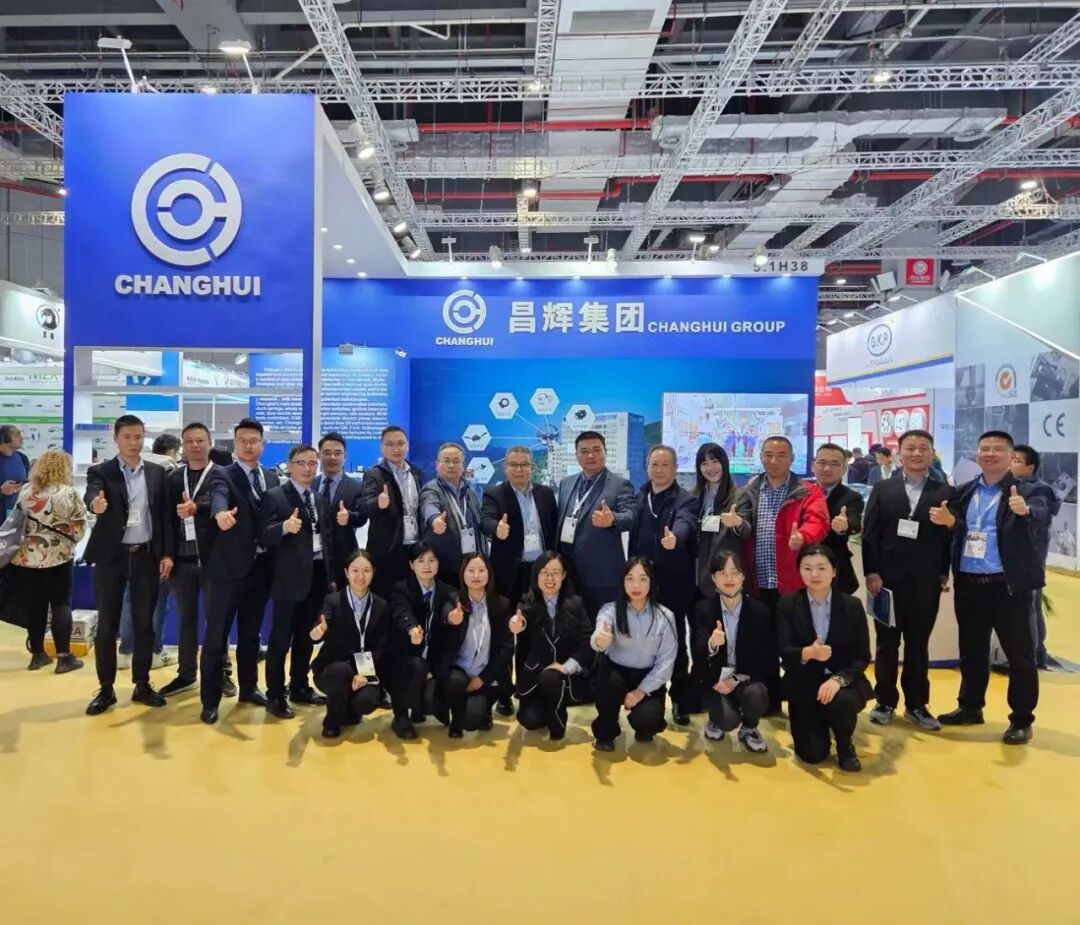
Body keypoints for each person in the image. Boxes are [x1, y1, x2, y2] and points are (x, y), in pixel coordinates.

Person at [934, 431, 1050, 744]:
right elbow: (958, 530)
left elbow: (1043, 511)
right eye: (984, 448)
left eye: (998, 449)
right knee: (971, 651)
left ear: (1011, 456)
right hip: (970, 584)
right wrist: (950, 523)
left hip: (1008, 587)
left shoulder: (1029, 489)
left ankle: (1021, 720)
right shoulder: (966, 491)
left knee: (1020, 657)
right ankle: (970, 707)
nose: (990, 454)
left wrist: (1026, 510)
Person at [862, 429, 952, 730]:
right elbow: (870, 533)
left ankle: (917, 705)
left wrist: (943, 572)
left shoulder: (944, 491)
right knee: (887, 644)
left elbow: (947, 538)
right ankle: (884, 701)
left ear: (932, 453)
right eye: (910, 448)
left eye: (923, 448)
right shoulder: (883, 488)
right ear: (899, 453)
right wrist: (871, 571)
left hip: (926, 581)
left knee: (918, 644)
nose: (916, 453)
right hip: (886, 581)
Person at [83, 415, 175, 715]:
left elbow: (164, 516)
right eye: (128, 437)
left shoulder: (157, 473)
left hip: (146, 555)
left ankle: (142, 684)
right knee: (107, 625)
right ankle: (106, 689)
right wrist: (94, 504)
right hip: (113, 557)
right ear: (116, 438)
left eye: (138, 437)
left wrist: (166, 554)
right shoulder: (102, 471)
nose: (134, 443)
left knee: (144, 623)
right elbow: (92, 494)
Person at [199, 418, 280, 725]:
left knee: (251, 635)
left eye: (253, 441)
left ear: (262, 445)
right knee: (216, 637)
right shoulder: (223, 474)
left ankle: (248, 688)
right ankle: (210, 701)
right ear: (234, 445)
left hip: (260, 570)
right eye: (242, 441)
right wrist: (220, 513)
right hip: (227, 572)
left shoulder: (271, 477)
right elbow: (219, 497)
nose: (248, 445)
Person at [742, 435, 828, 710]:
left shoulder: (807, 491)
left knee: (797, 645)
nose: (774, 461)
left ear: (792, 458)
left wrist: (803, 536)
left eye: (781, 455)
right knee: (763, 645)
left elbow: (818, 521)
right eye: (768, 455)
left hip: (791, 583)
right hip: (758, 581)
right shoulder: (751, 488)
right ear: (760, 457)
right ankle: (770, 701)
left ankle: (803, 703)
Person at [776, 545, 872, 772]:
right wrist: (808, 653)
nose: (815, 574)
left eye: (821, 567)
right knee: (813, 755)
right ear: (800, 571)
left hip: (841, 682)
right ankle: (820, 722)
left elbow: (861, 657)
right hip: (804, 683)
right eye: (807, 568)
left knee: (842, 702)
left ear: (834, 571)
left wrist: (838, 680)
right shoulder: (787, 604)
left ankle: (845, 744)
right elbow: (783, 650)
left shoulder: (852, 606)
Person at [479, 445, 558, 715]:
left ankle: (527, 688)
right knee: (504, 635)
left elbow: (552, 531)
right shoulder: (494, 493)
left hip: (538, 574)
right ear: (506, 467)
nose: (519, 469)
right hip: (508, 575)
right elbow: (486, 520)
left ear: (532, 467)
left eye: (524, 464)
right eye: (514, 465)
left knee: (532, 633)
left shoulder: (545, 494)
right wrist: (496, 529)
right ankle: (503, 693)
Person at [259, 443, 334, 719]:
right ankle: (275, 695)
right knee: (281, 640)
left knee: (306, 637)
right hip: (288, 580)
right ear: (290, 466)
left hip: (317, 577)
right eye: (301, 463)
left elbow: (326, 539)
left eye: (312, 463)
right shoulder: (275, 496)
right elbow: (263, 535)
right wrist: (283, 527)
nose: (307, 468)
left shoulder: (319, 498)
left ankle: (299, 686)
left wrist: (331, 577)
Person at [157, 423, 230, 697]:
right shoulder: (174, 478)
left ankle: (221, 673)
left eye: (200, 440)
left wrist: (198, 508)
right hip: (182, 561)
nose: (195, 446)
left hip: (214, 561)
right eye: (189, 441)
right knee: (186, 620)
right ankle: (186, 674)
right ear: (183, 446)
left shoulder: (223, 475)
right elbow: (166, 519)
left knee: (216, 621)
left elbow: (226, 505)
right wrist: (166, 554)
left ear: (209, 443)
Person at [628, 444, 698, 724]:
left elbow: (685, 523)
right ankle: (647, 696)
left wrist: (675, 538)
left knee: (676, 642)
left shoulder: (685, 499)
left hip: (674, 583)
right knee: (643, 639)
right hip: (641, 584)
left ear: (675, 468)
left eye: (665, 464)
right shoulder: (639, 495)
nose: (658, 470)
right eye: (654, 464)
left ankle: (679, 699)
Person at [8, 448, 87, 673]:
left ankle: (37, 655)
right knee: (61, 604)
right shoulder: (68, 493)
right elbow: (79, 528)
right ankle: (64, 658)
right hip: (58, 558)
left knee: (35, 606)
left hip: (27, 558)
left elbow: (17, 522)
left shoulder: (26, 491)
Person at [589, 557, 677, 751]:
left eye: (643, 579)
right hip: (615, 673)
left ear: (651, 582)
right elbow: (598, 635)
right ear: (623, 581)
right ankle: (606, 731)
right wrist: (600, 640)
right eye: (630, 579)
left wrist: (640, 691)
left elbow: (666, 663)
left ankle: (644, 724)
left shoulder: (665, 617)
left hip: (647, 676)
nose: (636, 585)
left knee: (648, 721)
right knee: (608, 686)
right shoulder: (610, 610)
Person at [309, 549, 394, 738]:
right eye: (355, 571)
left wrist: (365, 673)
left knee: (367, 700)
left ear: (373, 573)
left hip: (364, 669)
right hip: (332, 669)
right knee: (340, 672)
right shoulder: (333, 601)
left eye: (366, 571)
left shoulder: (381, 606)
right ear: (346, 573)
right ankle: (332, 720)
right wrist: (317, 633)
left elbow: (379, 646)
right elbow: (321, 623)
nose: (360, 576)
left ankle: (348, 712)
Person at [693, 552, 772, 752]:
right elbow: (698, 653)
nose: (729, 579)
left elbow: (767, 659)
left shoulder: (759, 611)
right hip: (716, 680)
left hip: (745, 678)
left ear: (743, 576)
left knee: (757, 695)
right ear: (713, 578)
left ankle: (749, 728)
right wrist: (712, 644)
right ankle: (715, 719)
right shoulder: (703, 609)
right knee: (727, 720)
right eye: (722, 573)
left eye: (735, 573)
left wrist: (736, 679)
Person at [117, 432, 181, 671]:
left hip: (131, 542)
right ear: (173, 451)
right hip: (159, 545)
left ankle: (125, 651)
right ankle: (155, 651)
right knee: (159, 599)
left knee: (130, 597)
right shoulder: (171, 468)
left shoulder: (135, 465)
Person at [514, 551, 593, 741]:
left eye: (555, 573)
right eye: (545, 572)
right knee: (530, 721)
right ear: (537, 575)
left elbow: (586, 641)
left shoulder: (576, 603)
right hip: (535, 678)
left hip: (567, 676)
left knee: (551, 678)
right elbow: (520, 620)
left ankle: (557, 714)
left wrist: (566, 667)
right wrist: (516, 624)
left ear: (564, 575)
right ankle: (549, 705)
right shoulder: (527, 602)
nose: (550, 578)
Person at [556, 430, 636, 617]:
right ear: (576, 455)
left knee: (602, 627)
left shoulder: (620, 485)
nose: (590, 455)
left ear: (605, 452)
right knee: (571, 627)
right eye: (584, 451)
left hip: (601, 577)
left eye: (596, 450)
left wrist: (613, 519)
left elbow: (631, 516)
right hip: (567, 574)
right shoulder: (566, 483)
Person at [433, 552, 513, 738]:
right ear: (463, 574)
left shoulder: (501, 604)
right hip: (459, 670)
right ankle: (456, 716)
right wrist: (451, 618)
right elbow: (446, 615)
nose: (476, 575)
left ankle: (483, 708)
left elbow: (507, 648)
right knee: (454, 683)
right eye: (471, 570)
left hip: (486, 672)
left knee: (472, 722)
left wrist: (483, 678)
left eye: (481, 570)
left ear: (489, 573)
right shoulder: (454, 600)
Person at [388, 543, 455, 739]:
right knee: (417, 666)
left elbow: (447, 616)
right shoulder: (401, 589)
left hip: (433, 660)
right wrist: (412, 628)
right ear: (411, 565)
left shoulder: (448, 591)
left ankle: (421, 708)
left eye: (431, 560)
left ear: (438, 563)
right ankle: (401, 715)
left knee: (435, 701)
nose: (427, 566)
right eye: (420, 561)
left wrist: (451, 617)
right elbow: (402, 612)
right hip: (405, 658)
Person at [1011, 444, 1060, 668]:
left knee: (1029, 603)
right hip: (1014, 553)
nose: (1011, 464)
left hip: (1030, 555)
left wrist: (1027, 510)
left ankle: (1032, 655)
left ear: (1030, 467)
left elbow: (1041, 513)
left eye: (1016, 460)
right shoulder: (1009, 484)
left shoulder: (1040, 490)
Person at [360, 425, 423, 599]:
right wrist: (379, 503)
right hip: (387, 550)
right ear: (382, 447)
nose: (396, 449)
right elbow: (365, 507)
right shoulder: (374, 474)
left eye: (400, 443)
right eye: (390, 444)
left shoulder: (416, 473)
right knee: (385, 598)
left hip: (414, 547)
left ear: (407, 446)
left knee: (412, 597)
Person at [421, 442, 487, 586]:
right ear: (437, 465)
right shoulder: (431, 489)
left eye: (456, 461)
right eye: (446, 461)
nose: (451, 465)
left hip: (472, 564)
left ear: (463, 466)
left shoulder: (471, 490)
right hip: (446, 567)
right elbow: (429, 505)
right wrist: (434, 520)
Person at [692, 443, 752, 600]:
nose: (710, 468)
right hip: (696, 573)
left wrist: (737, 522)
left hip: (726, 575)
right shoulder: (693, 496)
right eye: (704, 464)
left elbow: (746, 529)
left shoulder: (738, 496)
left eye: (715, 462)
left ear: (724, 463)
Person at [313, 431, 366, 588]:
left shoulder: (357, 486)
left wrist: (349, 516)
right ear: (319, 455)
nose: (332, 457)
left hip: (344, 556)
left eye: (337, 453)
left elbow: (362, 517)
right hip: (314, 558)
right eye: (327, 453)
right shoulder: (310, 484)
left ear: (345, 456)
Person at [812, 443, 864, 595]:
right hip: (799, 568)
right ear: (813, 465)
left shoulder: (852, 497)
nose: (827, 468)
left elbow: (854, 522)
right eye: (822, 462)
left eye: (834, 464)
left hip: (835, 569)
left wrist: (844, 526)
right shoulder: (800, 492)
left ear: (844, 469)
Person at [0, 424, 30, 520]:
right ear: (4, 438)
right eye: (17, 435)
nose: (21, 438)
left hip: (17, 516)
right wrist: (1, 490)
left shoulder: (23, 458)